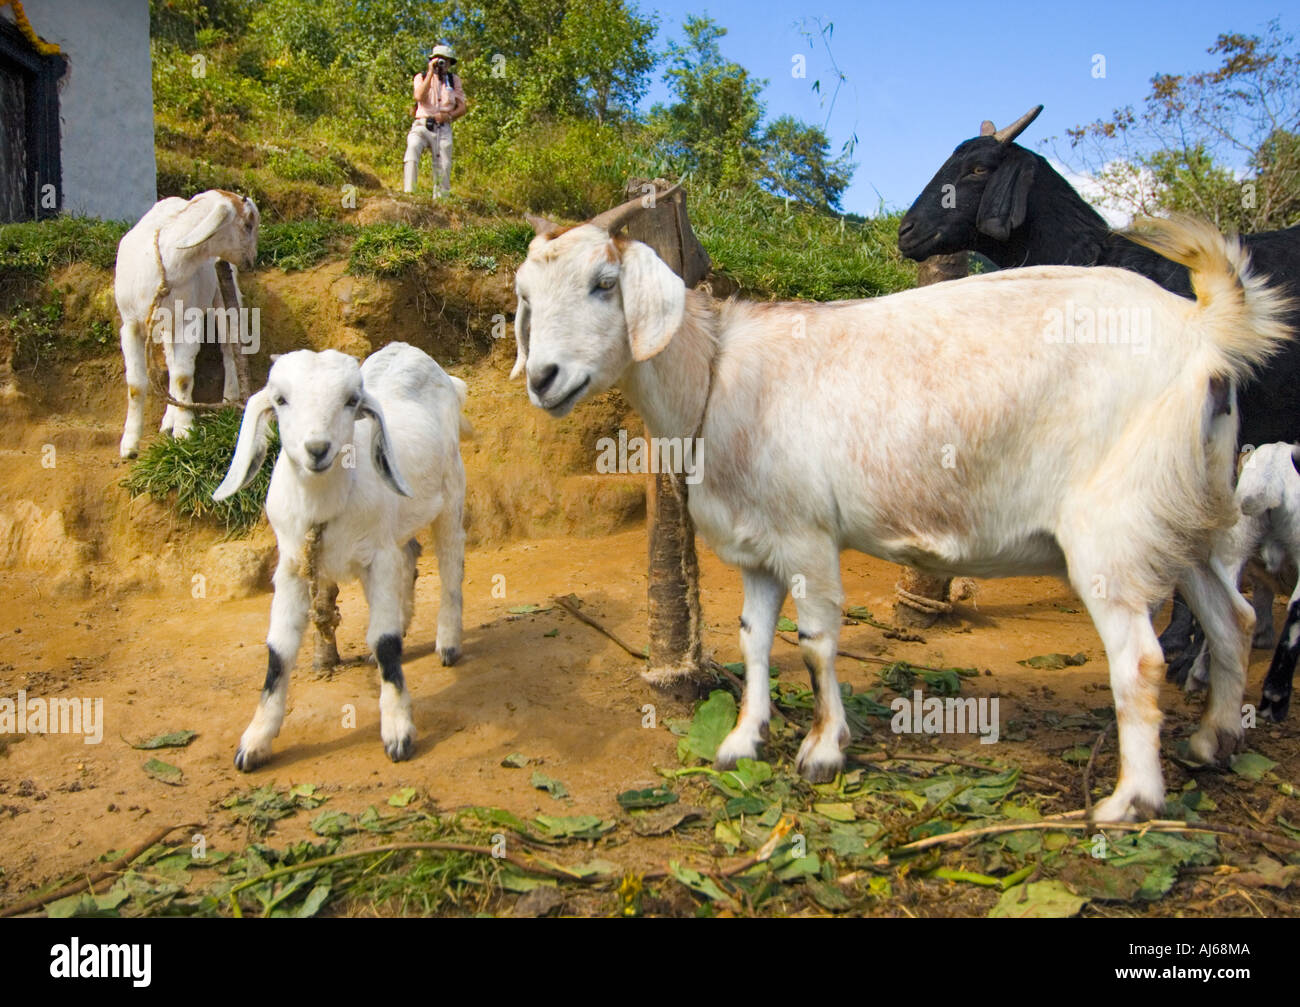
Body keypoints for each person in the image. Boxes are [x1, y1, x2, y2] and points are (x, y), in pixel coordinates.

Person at [403, 45, 467, 198]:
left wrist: (449, 116)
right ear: (432, 60)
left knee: (444, 162)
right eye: (439, 60)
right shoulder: (422, 77)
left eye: (446, 61)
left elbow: (463, 107)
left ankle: (441, 199)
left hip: (443, 126)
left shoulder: (454, 80)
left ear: (450, 63)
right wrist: (431, 73)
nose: (442, 64)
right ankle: (409, 192)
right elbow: (418, 96)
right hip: (422, 124)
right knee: (412, 147)